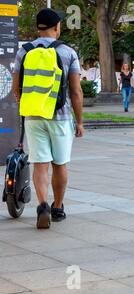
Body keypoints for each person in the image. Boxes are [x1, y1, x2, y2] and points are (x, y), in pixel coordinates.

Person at [12, 8, 84, 229]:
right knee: (59, 163)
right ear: (56, 27)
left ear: (38, 27)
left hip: (33, 116)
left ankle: (42, 204)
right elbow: (76, 91)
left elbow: (16, 89)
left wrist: (29, 106)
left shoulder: (23, 51)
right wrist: (79, 121)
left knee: (40, 164)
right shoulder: (68, 52)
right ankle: (57, 207)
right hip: (60, 117)